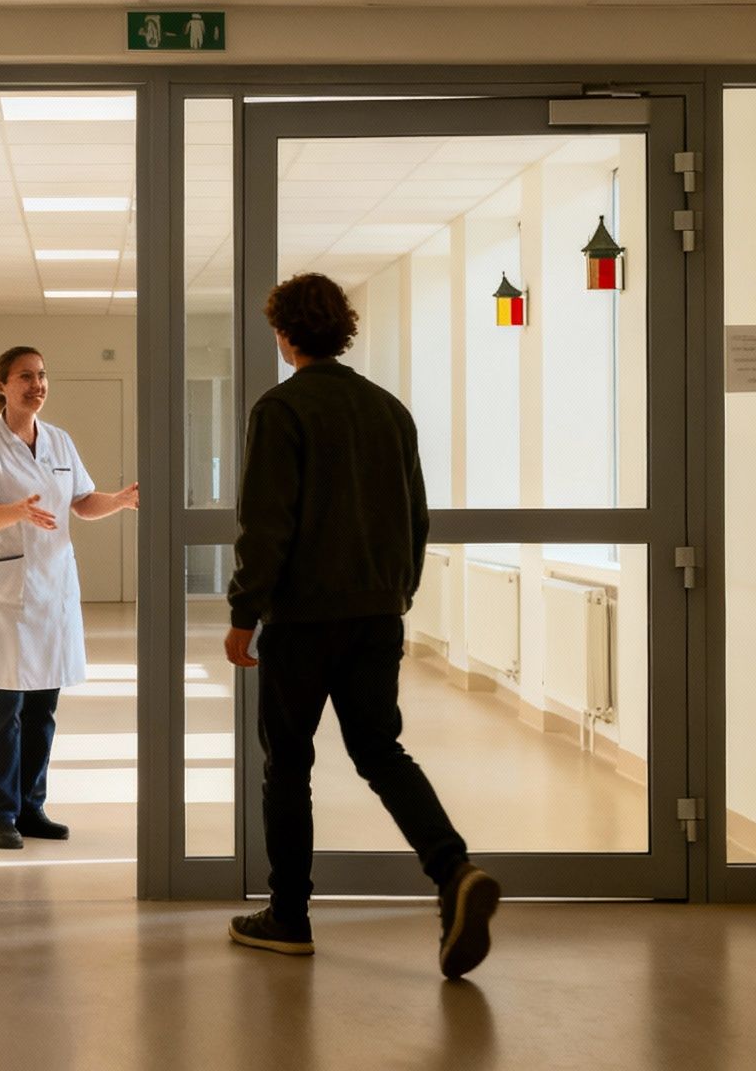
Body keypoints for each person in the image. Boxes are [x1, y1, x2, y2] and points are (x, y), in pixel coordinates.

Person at [223, 272, 500, 980]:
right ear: (341, 330)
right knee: (381, 751)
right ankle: (453, 869)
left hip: (302, 621)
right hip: (376, 616)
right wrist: (395, 594)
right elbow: (416, 517)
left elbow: (266, 524)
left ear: (284, 334)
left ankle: (289, 917)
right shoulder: (388, 410)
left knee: (288, 764)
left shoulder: (281, 409)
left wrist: (243, 612)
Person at [0, 346, 139, 850]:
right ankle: (0, 815)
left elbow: (82, 502)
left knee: (42, 707)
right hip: (5, 594)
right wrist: (16, 511)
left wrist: (119, 501)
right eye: (25, 376)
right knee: (4, 708)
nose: (37, 385)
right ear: (1, 385)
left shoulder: (59, 441)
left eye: (41, 375)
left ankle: (31, 808)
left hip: (53, 587)